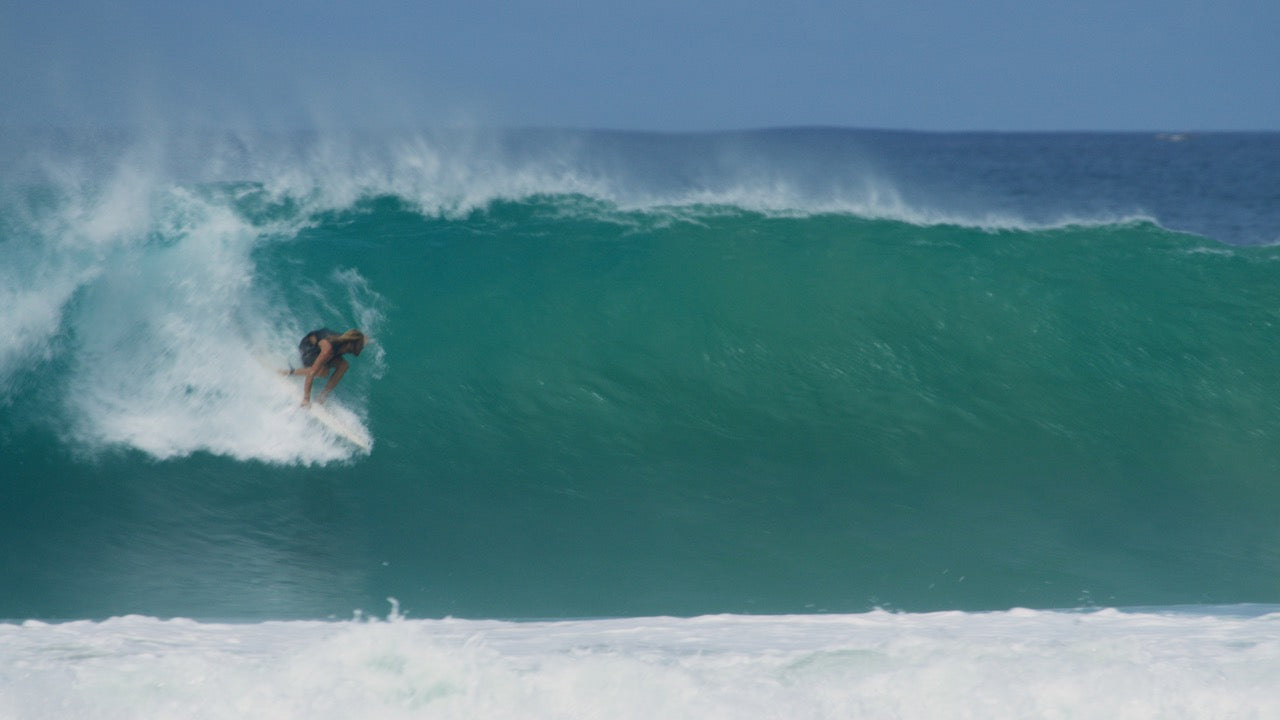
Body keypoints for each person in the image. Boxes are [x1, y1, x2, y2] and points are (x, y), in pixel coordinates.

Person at [282, 328, 366, 406]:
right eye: (360, 345)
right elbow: (312, 373)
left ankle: (321, 398)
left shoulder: (346, 344)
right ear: (351, 344)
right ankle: (288, 372)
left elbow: (360, 339)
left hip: (320, 347)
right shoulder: (328, 349)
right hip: (308, 347)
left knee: (344, 365)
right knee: (322, 372)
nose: (361, 348)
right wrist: (306, 399)